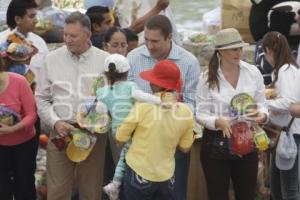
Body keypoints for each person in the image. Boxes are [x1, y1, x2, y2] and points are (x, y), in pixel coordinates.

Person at [35, 11, 110, 200]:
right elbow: (41, 98)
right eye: (65, 34)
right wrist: (56, 122)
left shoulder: (105, 60)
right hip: (61, 131)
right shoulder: (51, 59)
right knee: (57, 191)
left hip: (93, 134)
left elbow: (113, 99)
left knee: (91, 191)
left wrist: (99, 119)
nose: (67, 40)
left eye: (73, 36)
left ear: (88, 35)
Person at [127, 14, 200, 200]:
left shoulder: (189, 62)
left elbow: (192, 104)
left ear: (169, 38)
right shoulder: (133, 57)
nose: (149, 46)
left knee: (175, 195)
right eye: (146, 40)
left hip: (172, 142)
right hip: (140, 143)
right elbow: (127, 97)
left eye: (155, 41)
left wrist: (171, 125)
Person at [196, 28, 268, 200]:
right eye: (234, 49)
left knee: (247, 195)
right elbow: (200, 113)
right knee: (217, 195)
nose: (239, 52)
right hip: (215, 141)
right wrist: (217, 121)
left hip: (246, 139)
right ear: (221, 51)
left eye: (240, 48)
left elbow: (263, 105)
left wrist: (262, 116)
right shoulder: (206, 77)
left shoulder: (253, 72)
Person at [116, 59, 194, 200]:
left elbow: (120, 137)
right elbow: (185, 148)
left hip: (139, 172)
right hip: (166, 176)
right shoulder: (186, 112)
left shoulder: (143, 106)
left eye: (152, 80)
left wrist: (121, 143)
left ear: (156, 84)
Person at [96, 54, 161, 200]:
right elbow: (141, 96)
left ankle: (115, 183)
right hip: (132, 129)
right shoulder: (131, 86)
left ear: (106, 73)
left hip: (116, 131)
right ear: (127, 72)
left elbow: (100, 112)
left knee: (124, 156)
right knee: (130, 159)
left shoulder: (102, 92)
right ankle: (116, 184)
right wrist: (159, 101)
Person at [262, 31, 300, 200]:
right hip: (285, 133)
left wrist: (263, 104)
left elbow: (289, 102)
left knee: (289, 189)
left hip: (290, 134)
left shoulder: (285, 69)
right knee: (277, 187)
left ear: (268, 51)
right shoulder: (285, 69)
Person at [0, 54, 37, 199]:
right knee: (2, 188)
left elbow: (32, 115)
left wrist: (12, 129)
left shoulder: (19, 81)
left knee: (24, 185)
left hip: (24, 143)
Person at [0, 0, 48, 82]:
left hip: (36, 93)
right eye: (31, 16)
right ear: (18, 19)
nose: (36, 20)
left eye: (35, 16)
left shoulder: (40, 43)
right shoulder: (1, 41)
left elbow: (47, 73)